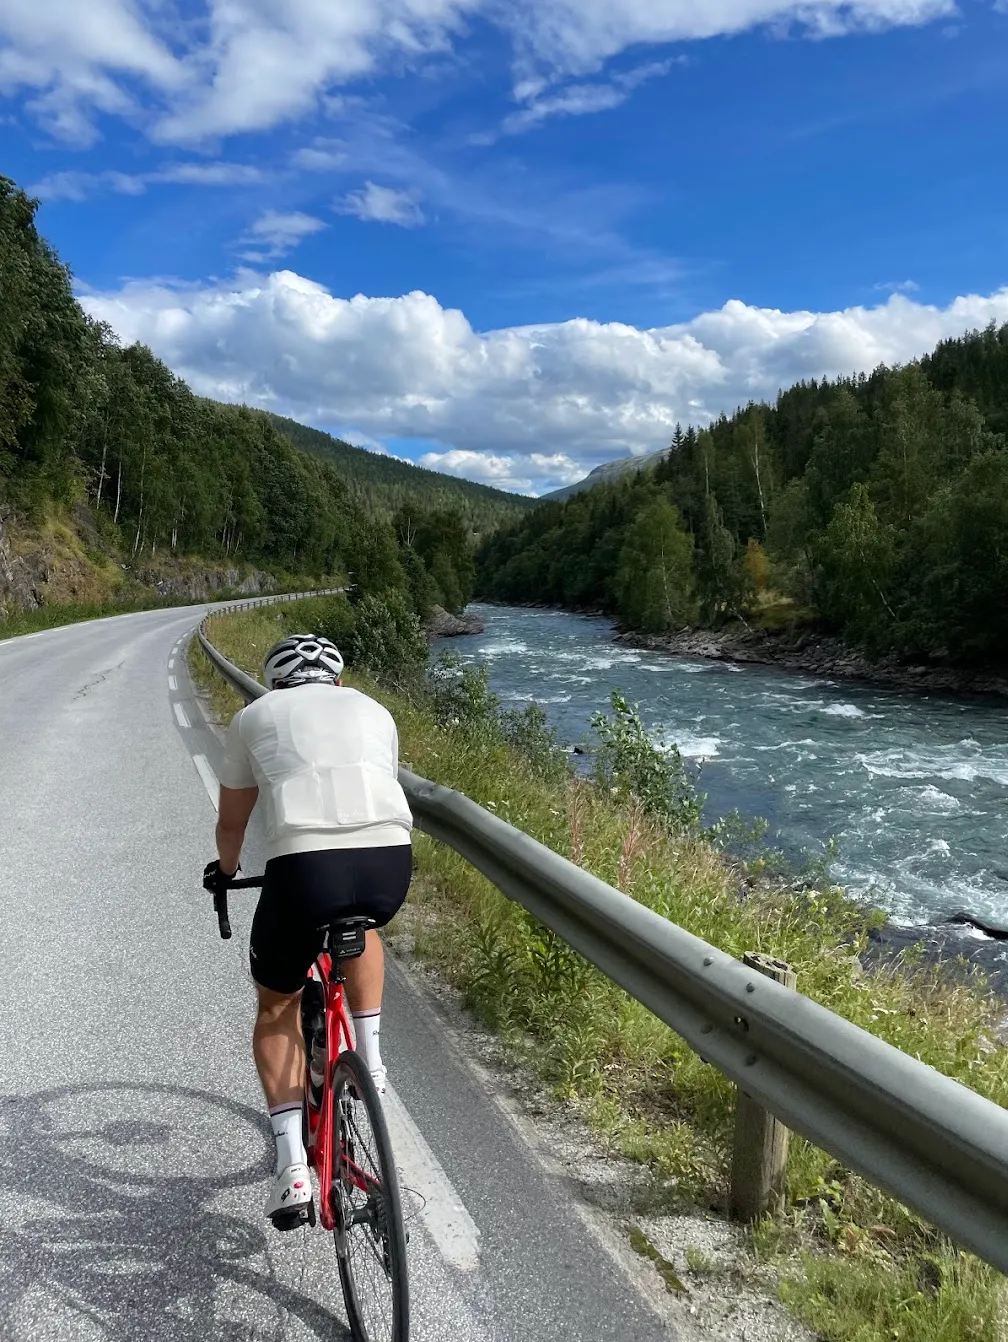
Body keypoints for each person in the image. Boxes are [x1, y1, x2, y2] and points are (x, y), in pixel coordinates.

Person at [203, 633, 413, 1228]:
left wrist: (224, 873)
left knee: (277, 1007)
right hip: (389, 863)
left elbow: (232, 823)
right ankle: (370, 1064)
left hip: (303, 872)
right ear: (338, 682)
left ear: (275, 684)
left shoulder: (254, 717)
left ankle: (293, 1165)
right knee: (363, 924)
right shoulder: (374, 709)